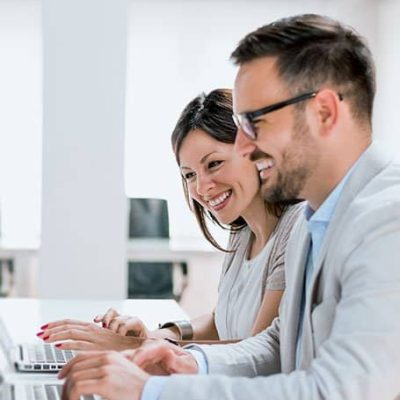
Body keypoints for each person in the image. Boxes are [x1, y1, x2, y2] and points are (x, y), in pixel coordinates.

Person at [60, 14, 400, 400]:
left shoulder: (388, 220)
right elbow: (278, 345)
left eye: (256, 122)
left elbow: (338, 391)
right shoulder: (315, 221)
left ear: (323, 112)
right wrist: (189, 362)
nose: (244, 147)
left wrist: (152, 390)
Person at [38, 89, 302, 349]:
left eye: (214, 164)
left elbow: (258, 353)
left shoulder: (294, 230)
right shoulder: (244, 233)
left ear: (253, 149)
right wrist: (156, 336)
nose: (201, 187)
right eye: (189, 175)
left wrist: (136, 349)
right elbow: (218, 322)